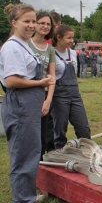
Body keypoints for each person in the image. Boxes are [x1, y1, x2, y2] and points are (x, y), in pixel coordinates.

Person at [0, 3, 55, 202]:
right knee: (23, 156)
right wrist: (40, 82)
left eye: (33, 21)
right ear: (14, 23)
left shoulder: (24, 44)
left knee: (31, 152)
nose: (31, 25)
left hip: (29, 103)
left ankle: (27, 196)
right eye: (27, 21)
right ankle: (23, 199)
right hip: (21, 104)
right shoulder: (13, 47)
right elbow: (11, 80)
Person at [52, 24, 91, 149]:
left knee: (83, 127)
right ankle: (59, 155)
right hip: (59, 96)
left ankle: (87, 153)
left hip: (75, 94)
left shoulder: (73, 53)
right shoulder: (51, 53)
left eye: (72, 38)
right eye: (68, 38)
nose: (71, 41)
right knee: (60, 129)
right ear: (59, 37)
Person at [28, 11, 57, 159]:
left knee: (42, 136)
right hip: (26, 95)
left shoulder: (50, 49)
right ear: (35, 24)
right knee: (29, 137)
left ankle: (40, 171)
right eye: (42, 23)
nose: (45, 26)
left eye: (48, 24)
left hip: (44, 95)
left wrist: (48, 100)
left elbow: (52, 77)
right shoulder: (26, 44)